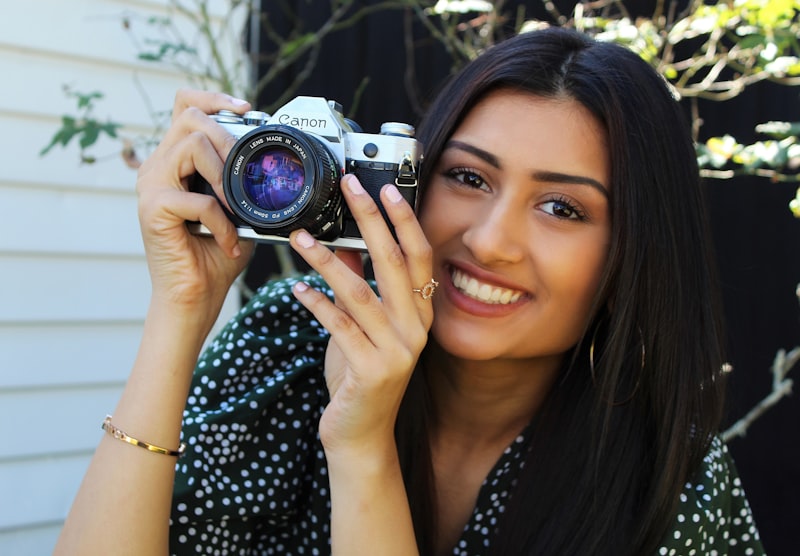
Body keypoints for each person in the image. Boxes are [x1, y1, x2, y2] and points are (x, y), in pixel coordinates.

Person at [54, 27, 765, 555]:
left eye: (562, 209)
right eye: (469, 177)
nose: (489, 241)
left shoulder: (674, 487)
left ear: (631, 258)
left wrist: (361, 447)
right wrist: (179, 313)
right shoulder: (289, 349)